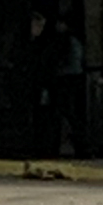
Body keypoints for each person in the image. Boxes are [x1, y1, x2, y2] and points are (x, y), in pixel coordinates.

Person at [15, 10, 57, 159]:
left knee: (41, 118)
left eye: (41, 26)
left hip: (39, 86)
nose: (39, 29)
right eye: (36, 25)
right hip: (23, 86)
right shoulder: (20, 44)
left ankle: (41, 147)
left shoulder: (44, 44)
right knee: (24, 117)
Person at [51, 15, 89, 158]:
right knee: (71, 113)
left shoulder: (65, 41)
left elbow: (60, 59)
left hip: (65, 78)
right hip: (75, 77)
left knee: (64, 112)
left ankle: (63, 145)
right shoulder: (76, 41)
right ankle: (80, 145)